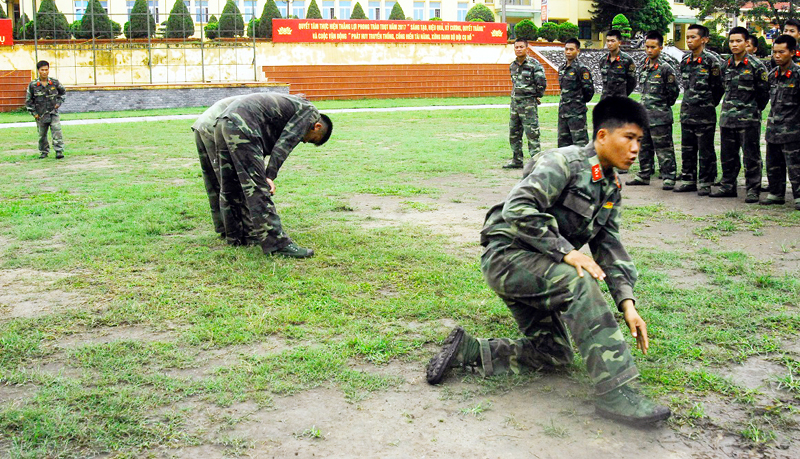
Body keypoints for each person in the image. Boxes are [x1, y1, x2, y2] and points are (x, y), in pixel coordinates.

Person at [426, 96, 671, 425]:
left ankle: (469, 351)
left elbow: (608, 244)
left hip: (539, 265)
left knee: (554, 355)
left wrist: (627, 303)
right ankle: (618, 394)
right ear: (602, 136)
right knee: (579, 282)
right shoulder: (564, 162)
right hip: (508, 257)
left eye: (640, 140)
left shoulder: (610, 187)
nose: (635, 148)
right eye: (628, 138)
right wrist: (566, 252)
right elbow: (518, 208)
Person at [214, 93, 333, 258]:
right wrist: (269, 175)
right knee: (257, 188)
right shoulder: (309, 112)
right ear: (317, 127)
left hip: (224, 122)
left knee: (230, 184)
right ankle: (278, 244)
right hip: (243, 124)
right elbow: (285, 143)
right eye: (312, 139)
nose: (305, 142)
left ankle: (236, 236)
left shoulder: (296, 104)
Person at [713, 27, 769, 201]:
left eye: (738, 41)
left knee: (751, 156)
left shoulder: (756, 66)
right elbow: (721, 88)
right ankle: (728, 186)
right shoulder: (725, 65)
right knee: (728, 155)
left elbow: (763, 94)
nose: (734, 44)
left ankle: (753, 188)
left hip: (748, 119)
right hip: (728, 119)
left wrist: (752, 110)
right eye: (731, 41)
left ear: (746, 43)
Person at [626, 30, 680, 190]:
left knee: (664, 148)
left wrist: (662, 106)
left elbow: (673, 92)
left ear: (661, 48)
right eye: (647, 47)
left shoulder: (665, 68)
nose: (649, 50)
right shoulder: (644, 65)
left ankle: (669, 176)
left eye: (653, 47)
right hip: (645, 116)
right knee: (644, 147)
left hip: (660, 116)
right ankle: (644, 174)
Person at [674, 24, 724, 195]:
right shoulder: (685, 61)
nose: (689, 40)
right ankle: (688, 179)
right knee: (687, 149)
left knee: (705, 150)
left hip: (705, 113)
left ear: (704, 40)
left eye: (693, 37)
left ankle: (705, 181)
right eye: (687, 37)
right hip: (688, 112)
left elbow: (718, 88)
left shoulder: (712, 61)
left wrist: (709, 103)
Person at [192, 95, 248, 239]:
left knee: (215, 183)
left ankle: (224, 227)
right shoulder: (277, 111)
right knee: (228, 181)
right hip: (215, 128)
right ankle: (236, 233)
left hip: (204, 124)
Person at [763, 35, 800, 211]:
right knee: (773, 163)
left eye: (781, 52)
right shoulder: (773, 75)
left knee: (796, 165)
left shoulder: (798, 75)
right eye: (774, 52)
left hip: (793, 130)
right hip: (774, 128)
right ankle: (776, 193)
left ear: (792, 52)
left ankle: (799, 196)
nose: (777, 56)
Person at [504, 38, 547, 169]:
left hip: (528, 106)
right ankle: (517, 160)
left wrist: (535, 96)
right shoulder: (513, 66)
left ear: (526, 48)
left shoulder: (534, 64)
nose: (518, 49)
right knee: (514, 133)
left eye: (521, 47)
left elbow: (542, 83)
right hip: (515, 106)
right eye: (516, 47)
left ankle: (536, 163)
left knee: (532, 134)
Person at [557, 37, 594, 148]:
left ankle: (584, 166)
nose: (568, 52)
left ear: (578, 51)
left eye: (571, 49)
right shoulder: (562, 68)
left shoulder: (582, 69)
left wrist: (578, 104)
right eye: (566, 49)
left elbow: (589, 91)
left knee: (580, 145)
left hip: (576, 114)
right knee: (563, 146)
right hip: (563, 113)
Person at [25, 60, 66, 160]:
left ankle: (59, 151)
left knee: (57, 132)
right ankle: (44, 152)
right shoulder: (33, 85)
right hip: (40, 114)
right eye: (42, 70)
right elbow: (29, 100)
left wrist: (58, 103)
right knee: (42, 135)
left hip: (53, 113)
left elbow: (63, 93)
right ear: (38, 70)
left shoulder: (54, 83)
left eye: (46, 70)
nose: (44, 72)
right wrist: (34, 113)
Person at [599, 30, 637, 100]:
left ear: (619, 42)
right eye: (608, 41)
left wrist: (623, 94)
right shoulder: (603, 60)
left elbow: (632, 82)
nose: (610, 43)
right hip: (605, 100)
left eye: (613, 41)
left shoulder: (627, 60)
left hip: (620, 101)